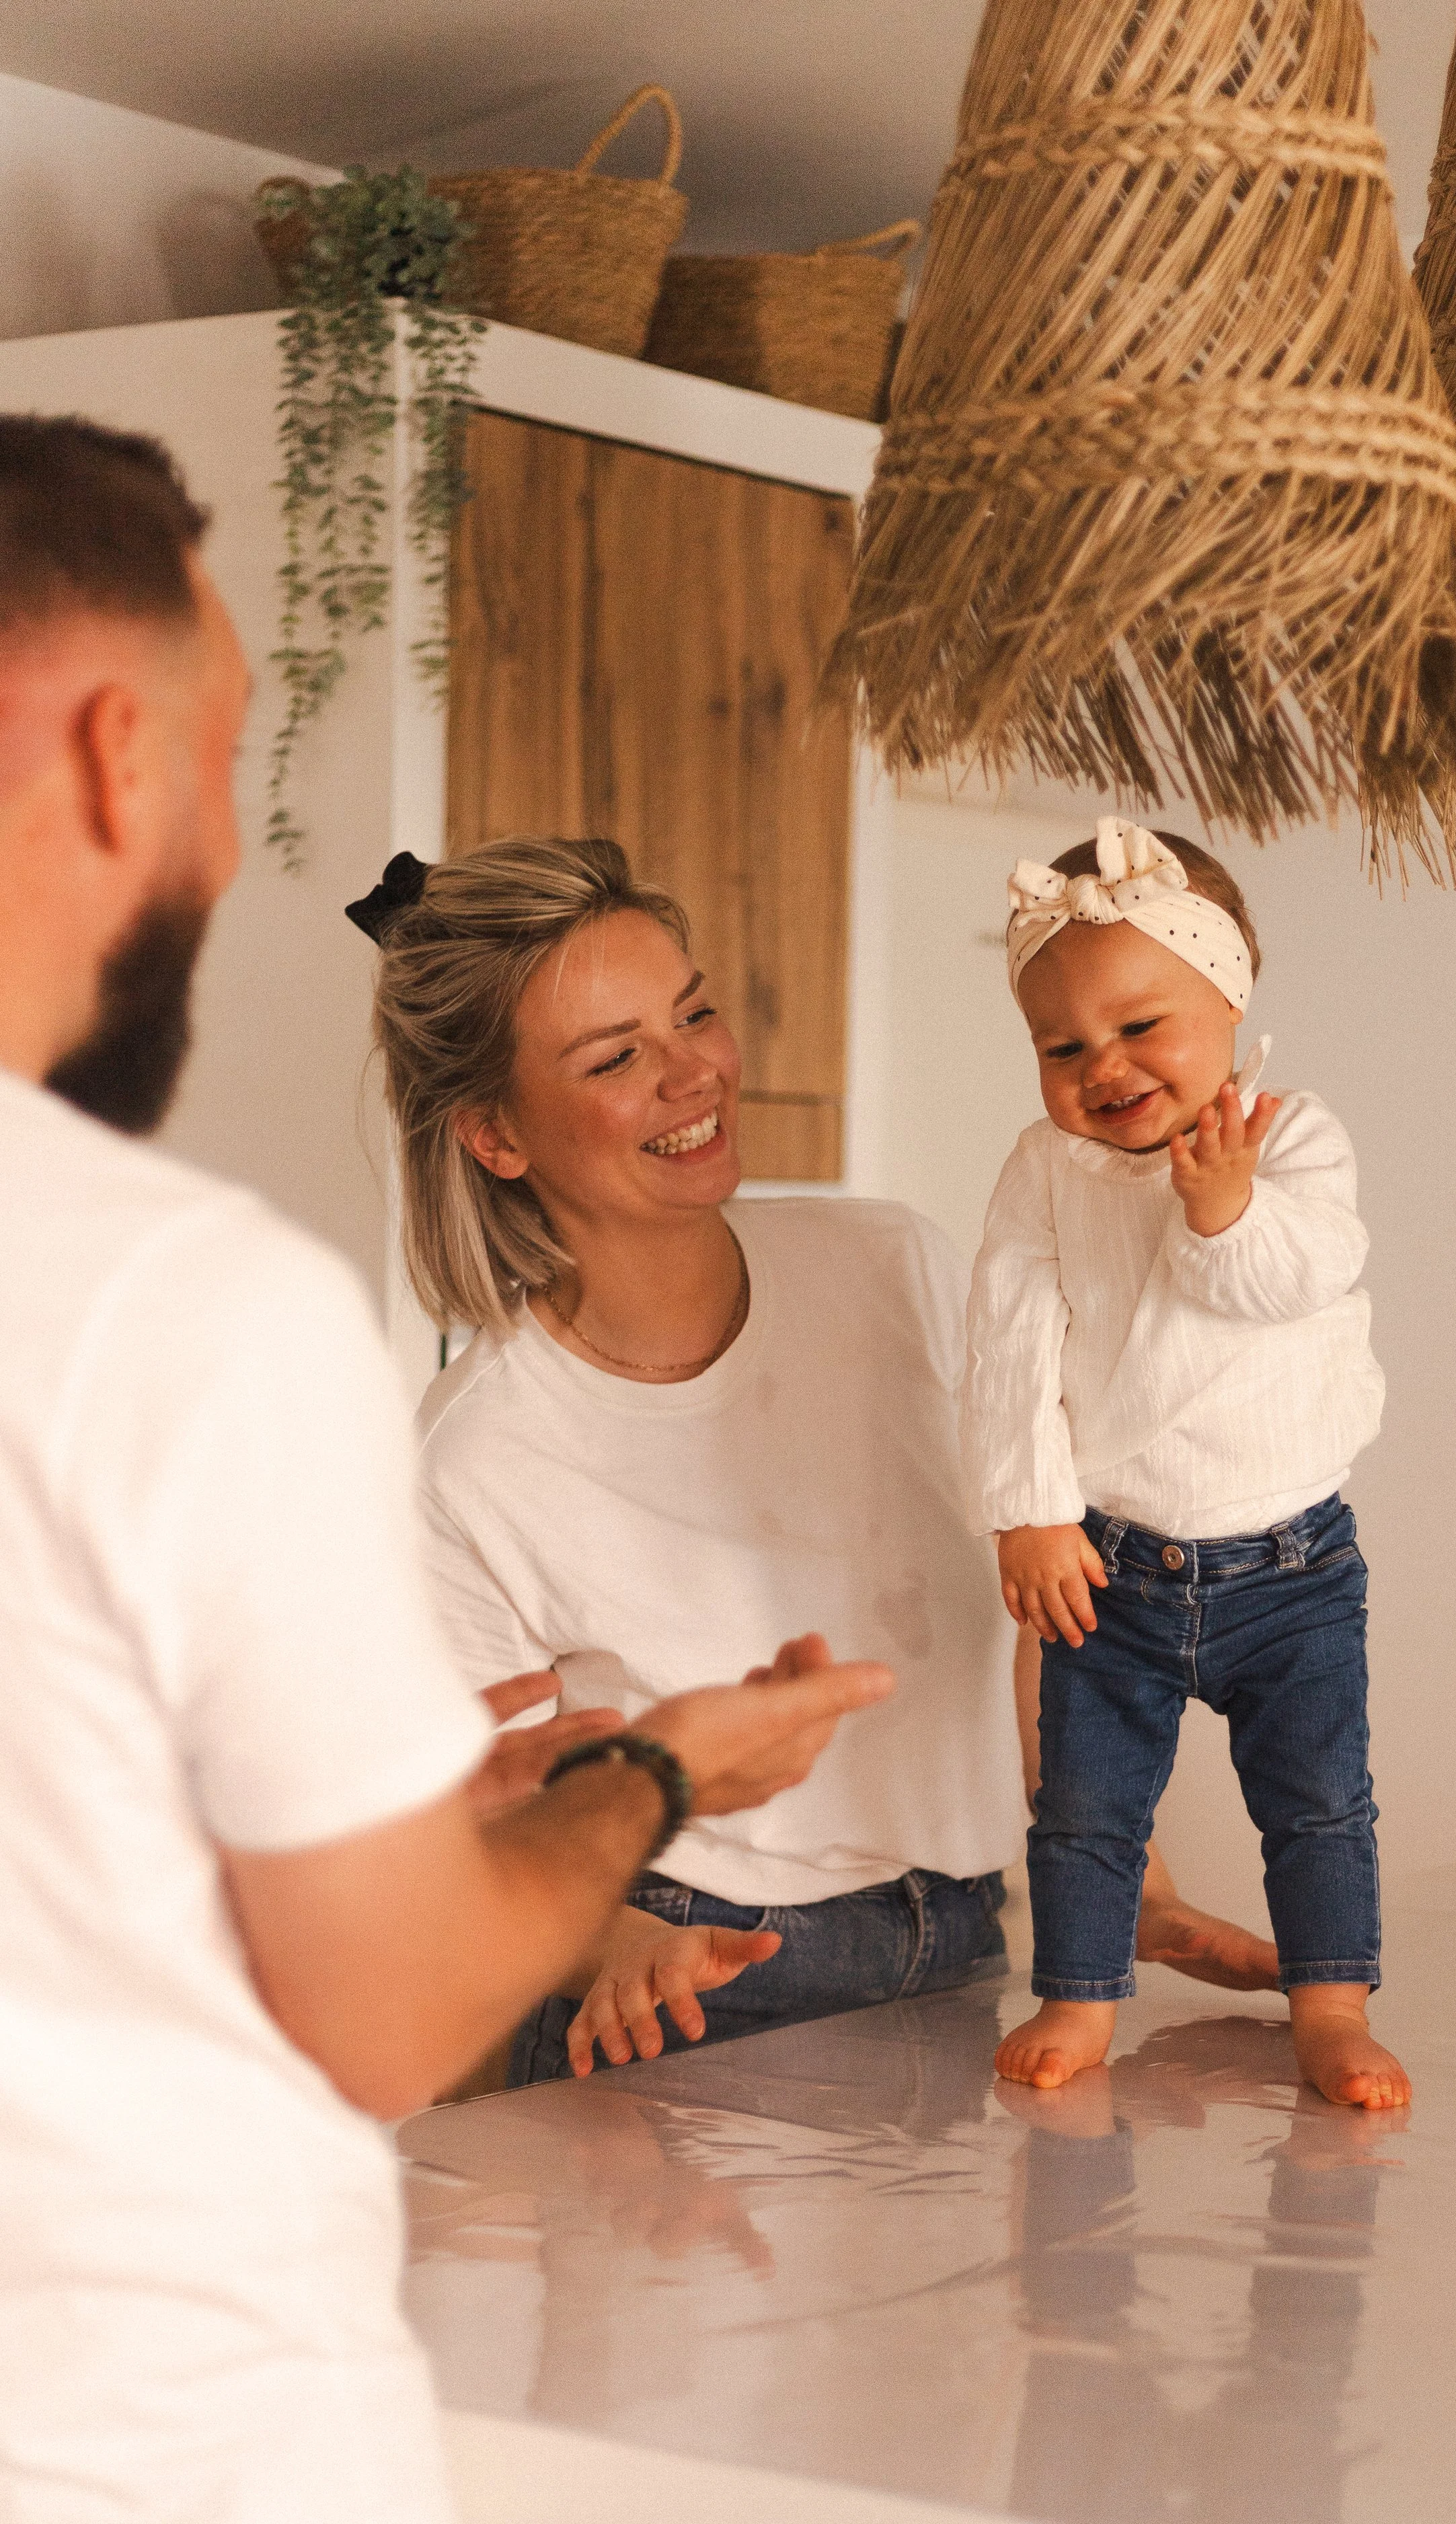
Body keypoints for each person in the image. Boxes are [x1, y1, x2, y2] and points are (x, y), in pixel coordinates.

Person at [0, 412, 894, 2524]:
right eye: (226, 765)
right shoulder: (181, 1311)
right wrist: (648, 1781)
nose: (220, 854)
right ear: (125, 755)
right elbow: (388, 2015)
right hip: (148, 2439)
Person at [363, 832, 1280, 2083]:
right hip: (686, 1997)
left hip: (965, 1946)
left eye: (692, 1013)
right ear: (496, 1136)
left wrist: (1130, 1876)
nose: (693, 1073)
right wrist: (614, 1945)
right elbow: (461, 1831)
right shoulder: (466, 1462)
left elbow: (1031, 1594)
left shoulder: (893, 1267)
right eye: (617, 1057)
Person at [963, 818, 1408, 2110]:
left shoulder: (1294, 1138)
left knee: (1320, 1800)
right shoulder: (1046, 1173)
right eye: (1064, 1046)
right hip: (1112, 1562)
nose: (1104, 1067)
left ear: (1230, 995)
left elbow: (1295, 1277)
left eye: (1141, 1027)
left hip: (1293, 1563)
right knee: (1087, 1809)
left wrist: (1221, 1205)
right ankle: (1081, 1994)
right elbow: (1008, 1343)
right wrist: (1028, 1513)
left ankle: (1332, 2005)